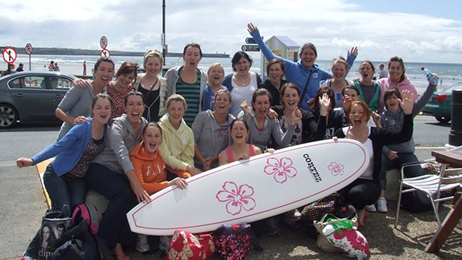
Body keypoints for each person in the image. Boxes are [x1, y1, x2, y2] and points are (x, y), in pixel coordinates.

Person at [17, 93, 112, 213]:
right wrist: (33, 160)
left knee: (77, 212)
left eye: (107, 108)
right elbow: (59, 146)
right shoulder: (83, 127)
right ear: (92, 109)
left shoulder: (107, 131)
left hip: (78, 179)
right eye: (99, 107)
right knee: (64, 210)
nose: (103, 111)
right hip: (58, 174)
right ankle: (47, 230)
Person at [334, 93, 415, 226]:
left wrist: (407, 113)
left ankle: (360, 210)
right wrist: (333, 145)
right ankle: (348, 211)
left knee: (357, 194)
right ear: (349, 115)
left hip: (369, 183)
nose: (357, 115)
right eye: (353, 112)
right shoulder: (340, 134)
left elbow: (404, 137)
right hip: (345, 181)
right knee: (334, 199)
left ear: (366, 116)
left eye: (361, 112)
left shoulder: (377, 134)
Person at [85, 91, 149, 259]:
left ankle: (121, 244)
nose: (135, 108)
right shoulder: (117, 126)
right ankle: (103, 241)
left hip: (121, 172)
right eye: (131, 104)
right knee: (124, 193)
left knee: (135, 199)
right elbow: (122, 155)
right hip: (100, 168)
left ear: (144, 107)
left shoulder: (144, 125)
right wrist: (136, 184)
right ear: (125, 107)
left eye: (139, 104)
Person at [247, 22, 357, 111]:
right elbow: (271, 57)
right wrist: (257, 37)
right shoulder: (292, 67)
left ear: (315, 56)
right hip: (293, 112)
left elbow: (339, 77)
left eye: (311, 54)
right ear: (300, 56)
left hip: (313, 113)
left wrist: (350, 60)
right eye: (305, 54)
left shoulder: (320, 73)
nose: (308, 57)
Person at [373, 75, 438, 213]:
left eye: (394, 97)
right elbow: (379, 139)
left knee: (417, 175)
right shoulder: (381, 117)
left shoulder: (408, 112)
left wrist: (432, 86)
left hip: (407, 154)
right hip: (389, 154)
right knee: (379, 164)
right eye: (388, 98)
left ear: (400, 100)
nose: (391, 100)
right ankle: (381, 199)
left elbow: (423, 100)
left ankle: (429, 198)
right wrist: (386, 152)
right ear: (385, 102)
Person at [130, 122, 191, 253]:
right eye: (149, 136)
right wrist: (168, 184)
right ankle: (142, 239)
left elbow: (171, 168)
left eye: (156, 136)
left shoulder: (159, 152)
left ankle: (167, 238)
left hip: (163, 192)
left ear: (161, 139)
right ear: (143, 137)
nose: (153, 139)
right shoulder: (135, 158)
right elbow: (140, 186)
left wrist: (185, 174)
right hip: (145, 195)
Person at [56, 57, 114, 140]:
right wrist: (74, 120)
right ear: (95, 71)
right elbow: (59, 111)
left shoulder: (105, 92)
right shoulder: (81, 87)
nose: (106, 73)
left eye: (109, 71)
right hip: (68, 140)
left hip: (86, 143)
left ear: (112, 74)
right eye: (102, 69)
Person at [158, 94, 202, 176]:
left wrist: (191, 171)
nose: (176, 113)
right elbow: (165, 156)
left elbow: (188, 158)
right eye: (172, 109)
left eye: (180, 109)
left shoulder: (188, 132)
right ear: (167, 109)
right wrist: (188, 168)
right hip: (162, 169)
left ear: (184, 110)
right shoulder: (159, 128)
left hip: (181, 169)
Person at [165, 43, 207, 127]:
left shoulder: (203, 77)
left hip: (195, 125)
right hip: (174, 124)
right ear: (184, 56)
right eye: (189, 54)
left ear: (200, 58)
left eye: (196, 55)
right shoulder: (172, 74)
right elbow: (164, 96)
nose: (192, 57)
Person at [193, 89, 235, 171]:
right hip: (198, 164)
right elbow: (192, 141)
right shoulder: (202, 117)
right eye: (219, 99)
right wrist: (202, 161)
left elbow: (233, 146)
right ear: (214, 102)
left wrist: (214, 159)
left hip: (220, 165)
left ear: (230, 104)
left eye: (225, 100)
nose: (222, 102)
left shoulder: (233, 122)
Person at [223, 51, 262, 116]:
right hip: (234, 122)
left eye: (244, 62)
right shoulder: (228, 80)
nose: (242, 65)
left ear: (249, 63)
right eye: (239, 63)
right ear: (234, 65)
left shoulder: (255, 77)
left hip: (254, 122)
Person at [133, 49, 168, 122]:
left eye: (156, 64)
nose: (153, 68)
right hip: (137, 123)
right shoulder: (136, 80)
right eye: (150, 64)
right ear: (145, 64)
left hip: (156, 126)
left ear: (161, 66)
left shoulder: (164, 83)